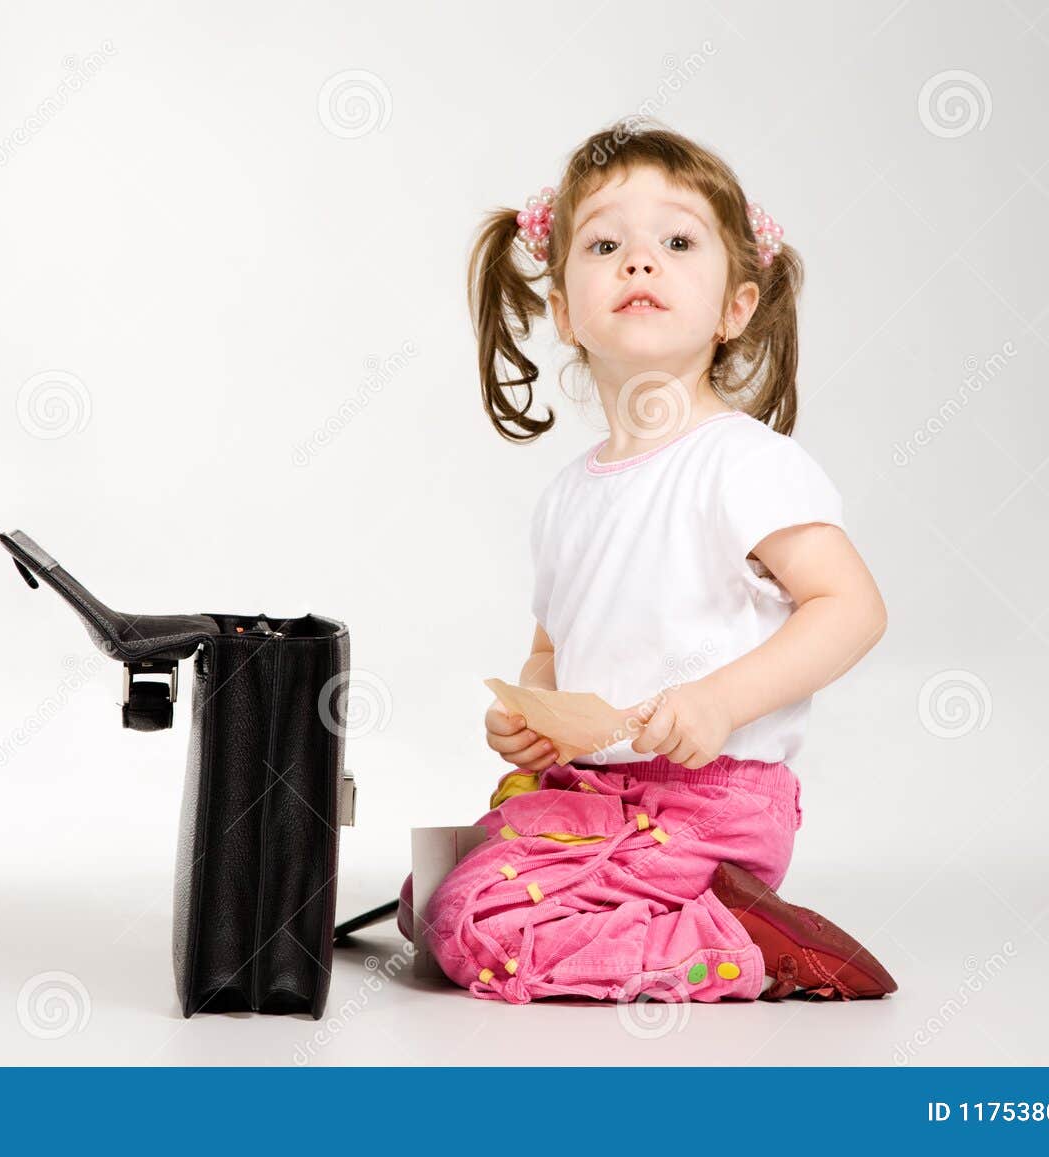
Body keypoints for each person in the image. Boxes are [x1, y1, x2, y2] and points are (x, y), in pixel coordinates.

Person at [397, 119, 898, 1004]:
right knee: (432, 897)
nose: (639, 262)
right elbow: (555, 649)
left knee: (481, 923)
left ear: (736, 307)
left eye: (676, 241)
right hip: (594, 793)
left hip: (711, 803)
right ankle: (674, 918)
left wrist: (718, 700)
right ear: (562, 309)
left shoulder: (743, 462)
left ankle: (741, 936)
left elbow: (851, 608)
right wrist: (533, 720)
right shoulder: (567, 496)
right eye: (604, 244)